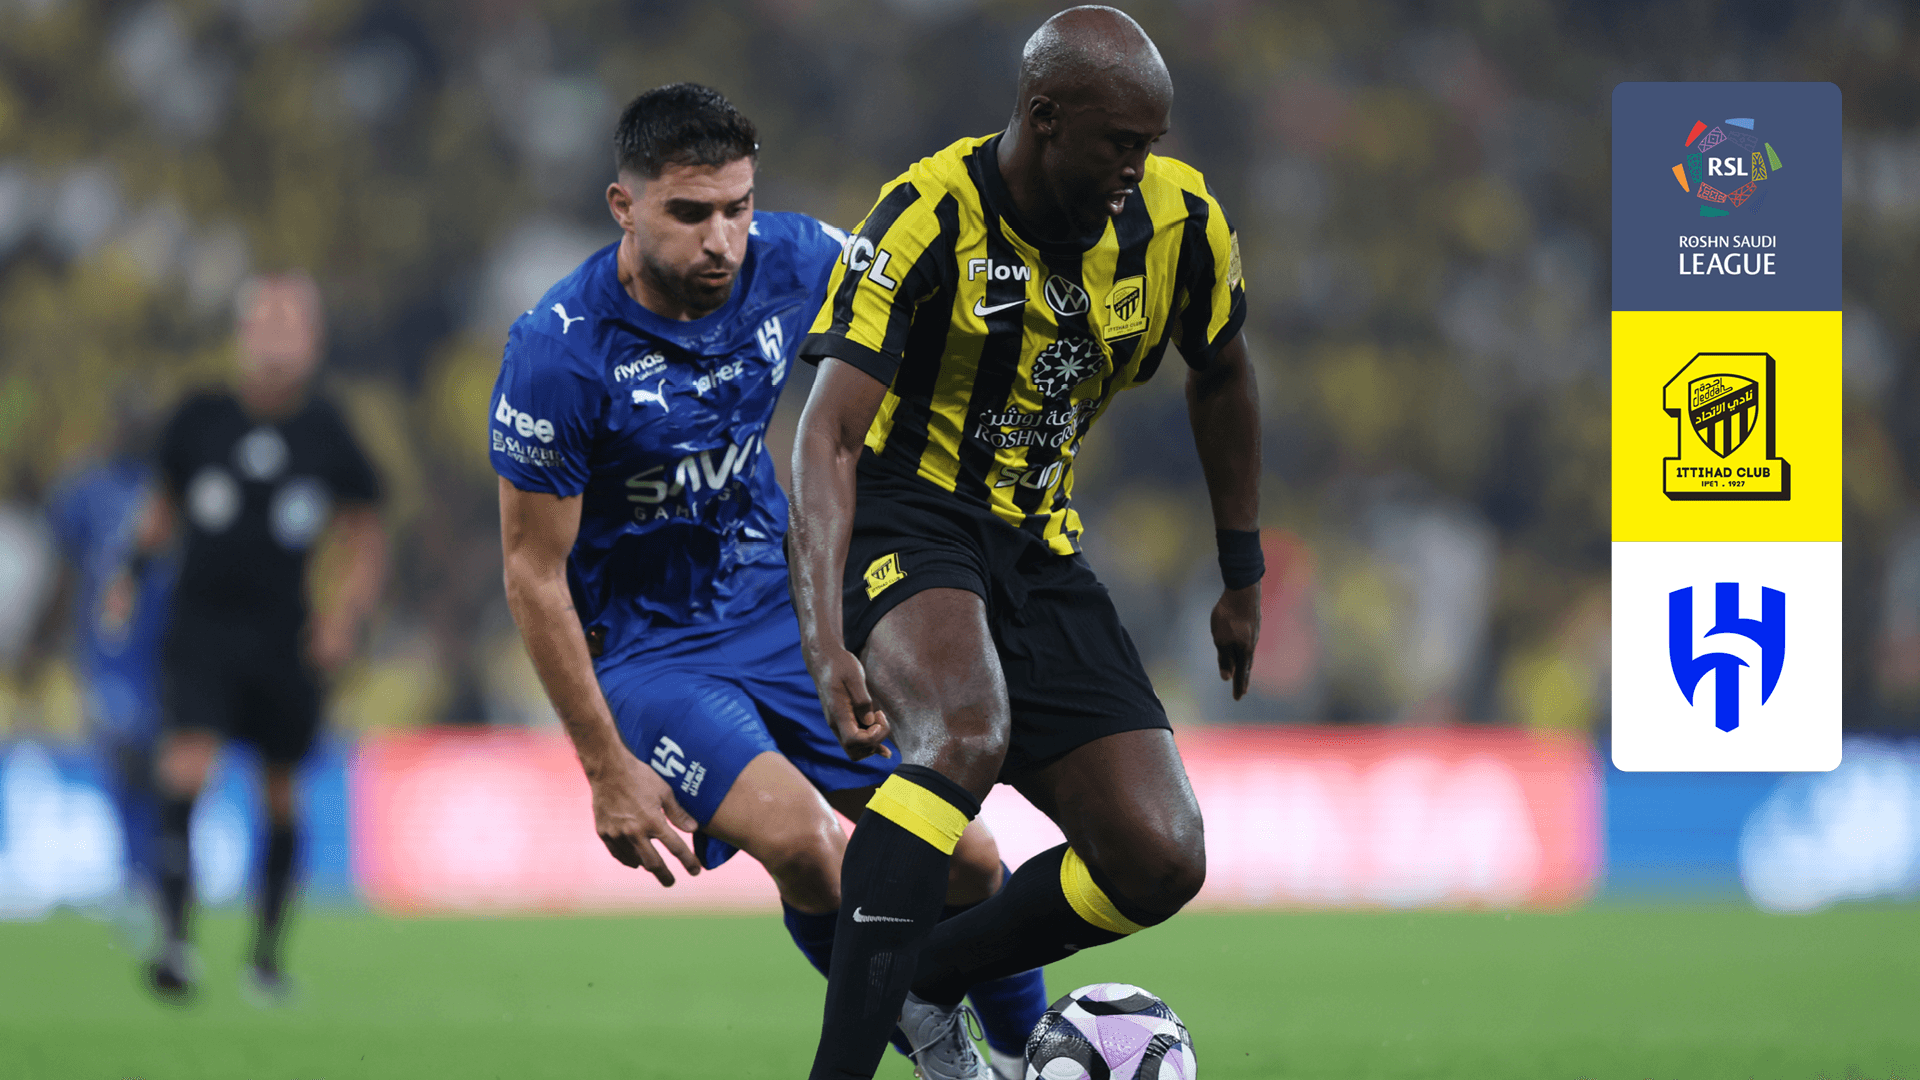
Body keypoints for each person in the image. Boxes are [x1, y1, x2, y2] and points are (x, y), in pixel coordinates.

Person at [490, 83, 1046, 1077]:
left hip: (778, 613)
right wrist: (604, 768)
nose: (722, 241)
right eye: (690, 213)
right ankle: (937, 1047)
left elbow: (919, 303)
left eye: (737, 208)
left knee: (965, 858)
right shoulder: (557, 354)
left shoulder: (794, 259)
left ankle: (1030, 1057)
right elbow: (533, 573)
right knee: (806, 844)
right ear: (624, 206)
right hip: (651, 656)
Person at [788, 7, 1264, 1079]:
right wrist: (825, 638)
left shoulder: (1183, 224)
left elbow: (1224, 372)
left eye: (1152, 143)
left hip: (1037, 541)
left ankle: (924, 981)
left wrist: (1242, 569)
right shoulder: (925, 218)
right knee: (964, 734)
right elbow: (827, 436)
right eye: (1120, 143)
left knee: (1159, 856)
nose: (1138, 167)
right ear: (1044, 117)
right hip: (908, 513)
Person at [142, 271, 387, 1000]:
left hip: (286, 635)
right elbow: (159, 510)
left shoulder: (328, 429)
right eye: (266, 323)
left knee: (281, 792)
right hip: (202, 625)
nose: (278, 340)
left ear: (313, 341)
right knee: (186, 766)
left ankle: (266, 958)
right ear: (242, 335)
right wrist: (127, 575)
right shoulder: (199, 417)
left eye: (292, 325)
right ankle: (174, 943)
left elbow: (364, 529)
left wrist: (343, 617)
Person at [21, 392, 173, 930]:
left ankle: (155, 874)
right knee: (123, 759)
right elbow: (62, 573)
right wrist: (39, 639)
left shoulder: (169, 488)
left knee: (158, 764)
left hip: (166, 650)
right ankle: (138, 877)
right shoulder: (85, 490)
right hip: (108, 652)